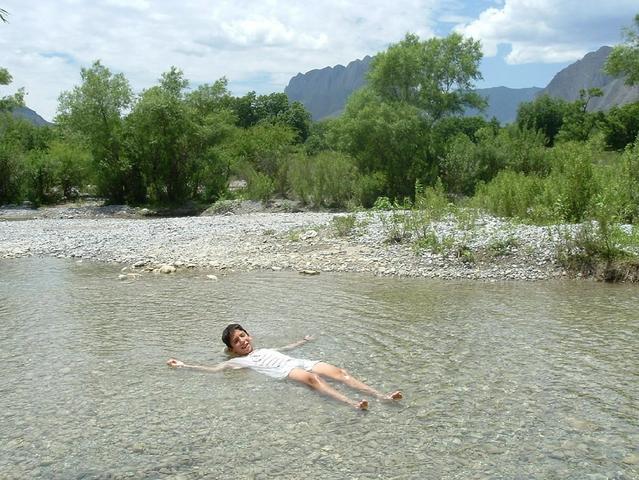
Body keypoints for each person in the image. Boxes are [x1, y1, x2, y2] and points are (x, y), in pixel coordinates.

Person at [166, 323, 402, 410]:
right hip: (284, 372)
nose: (243, 341)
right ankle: (353, 404)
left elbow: (287, 348)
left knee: (340, 372)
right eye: (236, 341)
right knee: (313, 380)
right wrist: (183, 365)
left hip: (296, 362)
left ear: (249, 335)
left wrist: (304, 341)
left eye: (243, 336)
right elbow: (214, 370)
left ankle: (382, 396)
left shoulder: (266, 349)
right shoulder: (239, 361)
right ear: (232, 349)